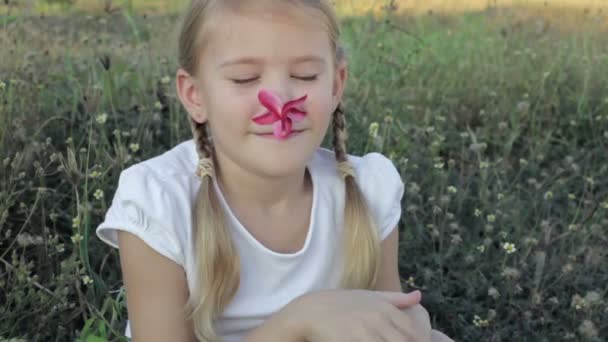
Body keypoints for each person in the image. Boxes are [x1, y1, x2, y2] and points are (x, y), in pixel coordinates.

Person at [96, 1, 453, 341]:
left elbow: (388, 319)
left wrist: (412, 323)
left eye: (305, 74)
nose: (280, 100)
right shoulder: (158, 203)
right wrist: (300, 320)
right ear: (195, 95)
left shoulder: (367, 190)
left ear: (335, 84)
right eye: (244, 78)